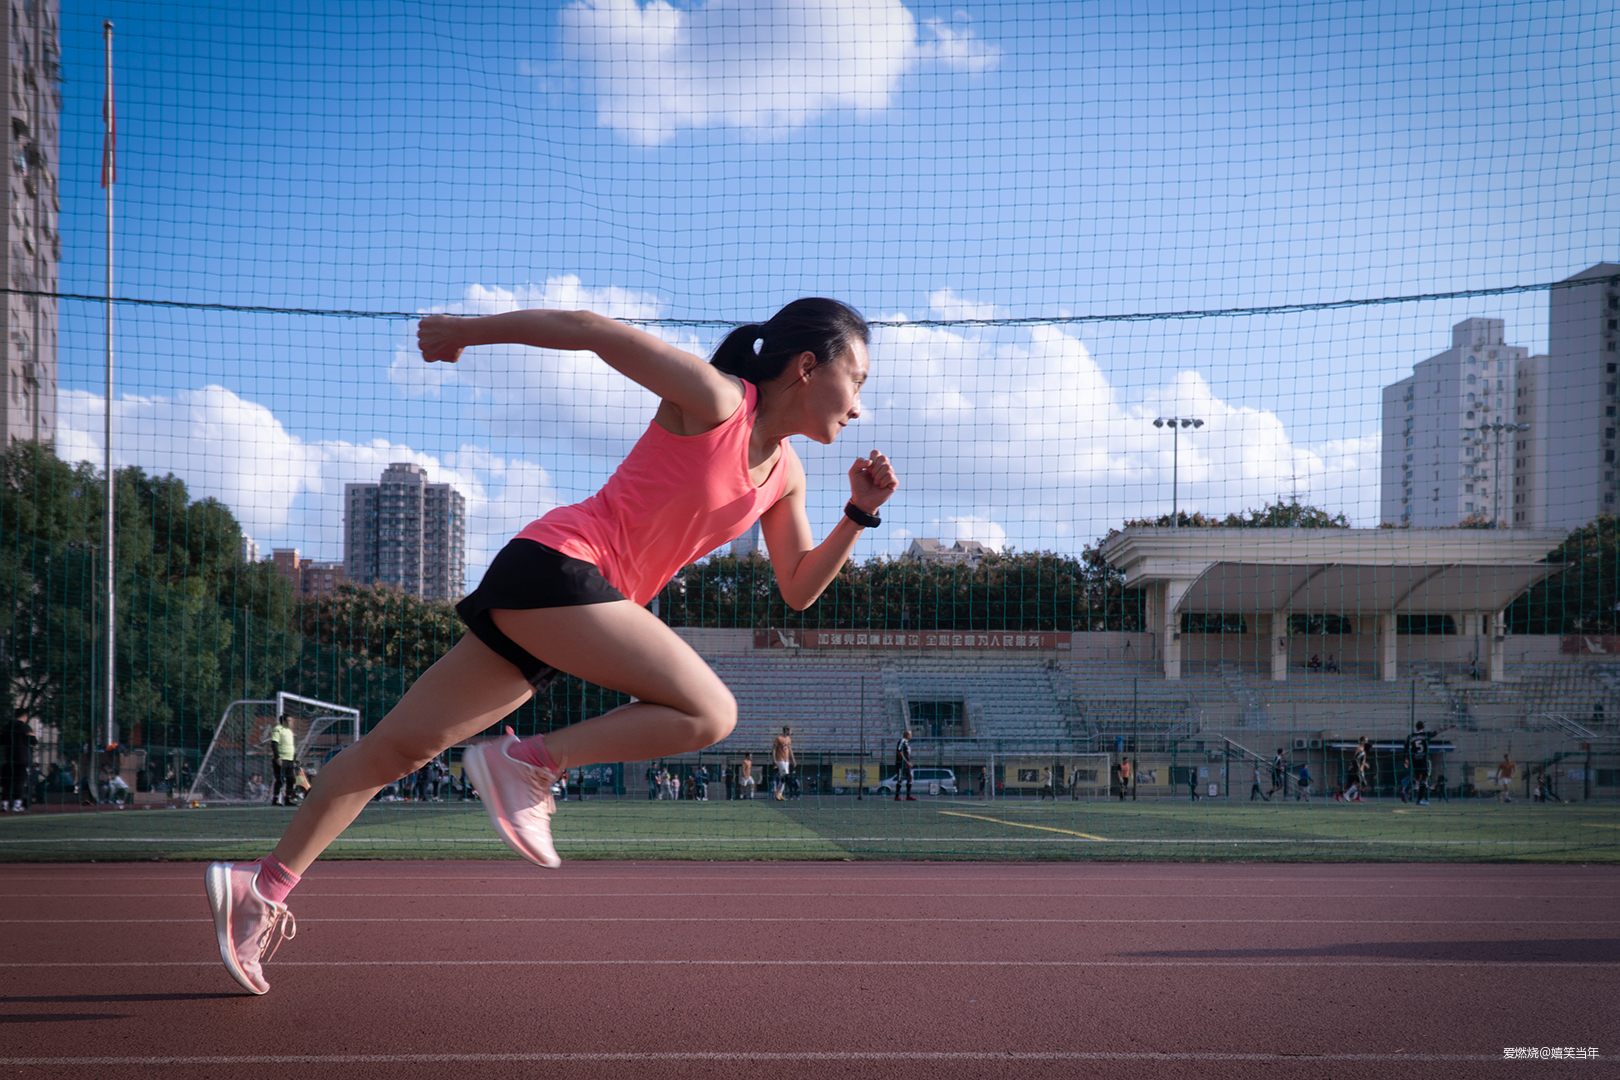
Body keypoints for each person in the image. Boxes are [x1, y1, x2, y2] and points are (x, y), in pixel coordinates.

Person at [203, 297, 896, 995]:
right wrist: (466, 333)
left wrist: (859, 513)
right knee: (709, 712)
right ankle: (531, 763)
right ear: (807, 367)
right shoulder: (718, 401)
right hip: (561, 565)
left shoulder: (787, 476)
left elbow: (799, 588)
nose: (860, 407)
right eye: (858, 381)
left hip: (575, 605)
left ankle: (260, 889)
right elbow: (592, 332)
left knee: (397, 749)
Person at [0, 704, 37, 813]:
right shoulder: (25, 727)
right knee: (19, 781)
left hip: (8, 758)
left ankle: (4, 804)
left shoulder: (6, 727)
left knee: (7, 781)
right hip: (22, 759)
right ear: (25, 716)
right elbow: (33, 741)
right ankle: (16, 805)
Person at [260, 715, 298, 807]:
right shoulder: (277, 729)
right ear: (284, 721)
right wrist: (277, 757)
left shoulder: (289, 731)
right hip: (281, 759)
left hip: (289, 759)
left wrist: (295, 758)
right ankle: (275, 799)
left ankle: (288, 799)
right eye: (289, 721)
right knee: (280, 780)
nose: (291, 723)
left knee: (291, 779)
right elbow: (274, 744)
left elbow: (291, 746)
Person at [772, 725, 796, 801]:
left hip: (787, 760)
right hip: (780, 760)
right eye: (790, 731)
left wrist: (793, 760)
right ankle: (778, 793)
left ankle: (779, 794)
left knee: (784, 778)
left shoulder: (788, 739)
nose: (791, 732)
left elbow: (790, 750)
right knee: (785, 776)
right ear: (786, 731)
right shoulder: (779, 738)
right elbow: (773, 749)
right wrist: (774, 759)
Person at [894, 729, 915, 801]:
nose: (911, 736)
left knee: (910, 778)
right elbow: (899, 751)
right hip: (901, 764)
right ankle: (897, 796)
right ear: (907, 735)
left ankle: (908, 796)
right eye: (910, 734)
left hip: (907, 764)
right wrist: (906, 761)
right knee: (900, 779)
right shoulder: (902, 741)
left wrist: (909, 762)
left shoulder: (907, 743)